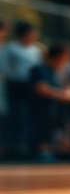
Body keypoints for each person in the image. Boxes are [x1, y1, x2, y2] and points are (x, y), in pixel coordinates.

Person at [1, 21, 44, 157]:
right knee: (17, 115)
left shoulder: (37, 50)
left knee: (29, 116)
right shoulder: (11, 48)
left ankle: (26, 145)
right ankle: (13, 146)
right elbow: (4, 67)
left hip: (30, 86)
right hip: (15, 85)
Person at [29, 42, 70, 159]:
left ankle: (61, 151)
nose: (68, 60)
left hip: (60, 114)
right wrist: (61, 94)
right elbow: (40, 88)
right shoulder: (39, 69)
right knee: (44, 140)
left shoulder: (63, 72)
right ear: (58, 56)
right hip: (42, 113)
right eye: (66, 56)